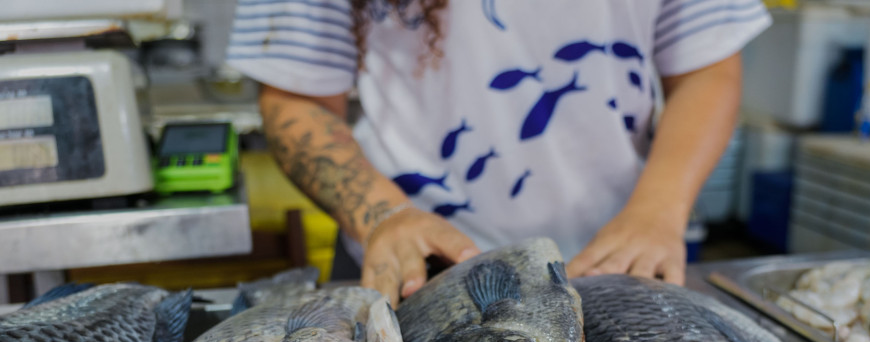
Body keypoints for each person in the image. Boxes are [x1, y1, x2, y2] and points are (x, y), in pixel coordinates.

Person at [227, 0, 771, 306]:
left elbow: (707, 67)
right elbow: (297, 97)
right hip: (412, 268)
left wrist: (658, 210)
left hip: (612, 263)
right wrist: (381, 215)